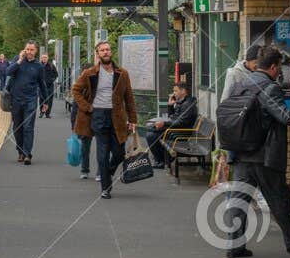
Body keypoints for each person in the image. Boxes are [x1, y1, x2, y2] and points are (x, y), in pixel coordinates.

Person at [224, 48, 290, 258]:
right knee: (278, 199)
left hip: (241, 152)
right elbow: (287, 117)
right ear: (273, 67)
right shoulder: (270, 87)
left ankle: (235, 246)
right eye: (279, 68)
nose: (280, 72)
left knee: (239, 200)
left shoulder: (241, 84)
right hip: (264, 155)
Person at [71, 40, 137, 199]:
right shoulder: (90, 73)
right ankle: (105, 188)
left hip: (118, 117)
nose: (106, 52)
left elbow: (129, 97)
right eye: (102, 50)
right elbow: (76, 90)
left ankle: (107, 173)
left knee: (119, 153)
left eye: (108, 49)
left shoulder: (122, 73)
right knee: (102, 151)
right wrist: (87, 107)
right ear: (98, 54)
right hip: (98, 115)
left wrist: (133, 119)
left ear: (111, 52)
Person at [1, 41, 50, 164]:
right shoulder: (17, 61)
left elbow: (42, 84)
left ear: (36, 51)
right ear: (24, 50)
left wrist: (45, 101)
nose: (29, 52)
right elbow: (8, 72)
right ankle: (20, 151)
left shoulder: (38, 66)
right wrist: (18, 61)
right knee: (17, 127)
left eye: (32, 50)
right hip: (16, 100)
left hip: (31, 100)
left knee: (28, 127)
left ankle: (27, 153)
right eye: (27, 49)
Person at [144, 84, 199, 170]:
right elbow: (173, 116)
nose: (173, 93)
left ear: (183, 91)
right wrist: (170, 105)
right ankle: (161, 159)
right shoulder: (181, 102)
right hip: (176, 128)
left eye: (175, 91)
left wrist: (164, 124)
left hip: (182, 131)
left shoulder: (187, 104)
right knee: (151, 130)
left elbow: (182, 122)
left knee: (151, 135)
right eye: (174, 91)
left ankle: (162, 160)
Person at [39, 53, 59, 118]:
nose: (44, 58)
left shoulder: (51, 65)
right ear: (41, 58)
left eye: (45, 57)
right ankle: (41, 112)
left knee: (49, 100)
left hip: (49, 85)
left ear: (47, 58)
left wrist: (51, 80)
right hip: (41, 86)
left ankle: (47, 113)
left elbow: (56, 74)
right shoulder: (39, 65)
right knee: (42, 99)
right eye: (43, 57)